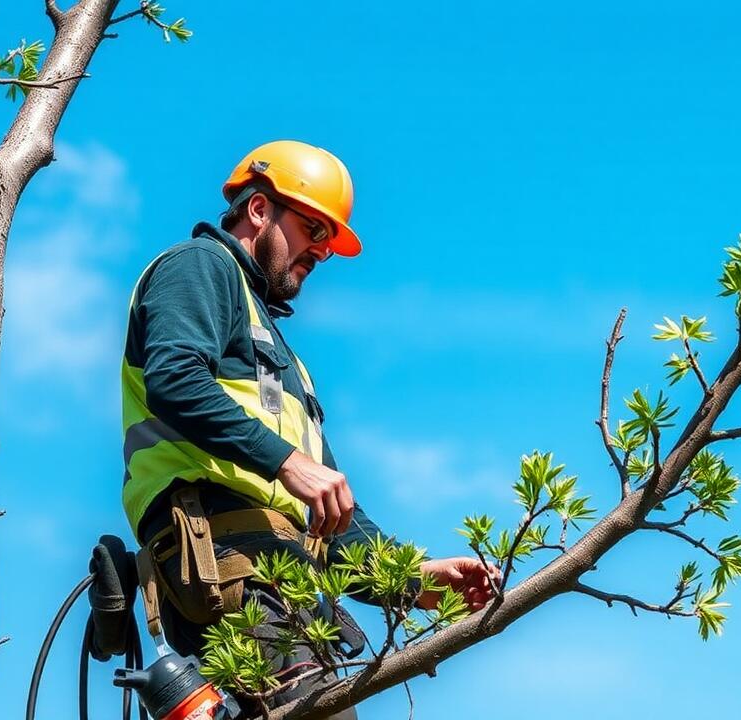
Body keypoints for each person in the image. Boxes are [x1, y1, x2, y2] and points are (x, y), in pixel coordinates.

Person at [120, 140, 500, 716]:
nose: (320, 252)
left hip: (286, 584)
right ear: (258, 210)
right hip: (225, 564)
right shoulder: (199, 267)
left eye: (329, 239)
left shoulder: (285, 362)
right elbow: (174, 379)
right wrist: (288, 463)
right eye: (312, 228)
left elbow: (333, 514)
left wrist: (413, 578)